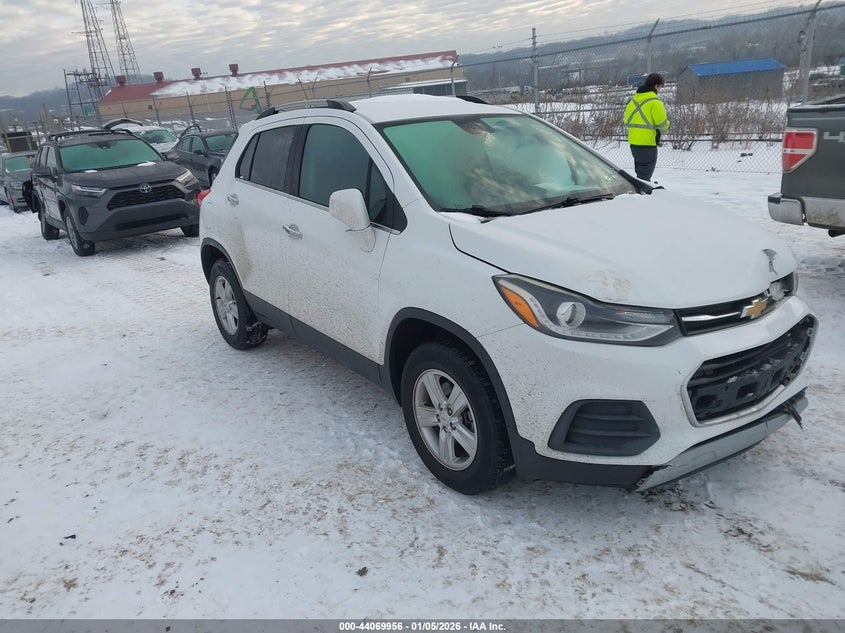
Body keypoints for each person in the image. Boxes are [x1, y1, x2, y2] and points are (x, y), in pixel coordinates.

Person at [623, 73, 670, 181]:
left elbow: (626, 120)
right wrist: (667, 124)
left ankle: (639, 189)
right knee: (644, 178)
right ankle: (642, 191)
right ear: (656, 85)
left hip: (634, 143)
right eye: (660, 87)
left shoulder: (632, 102)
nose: (660, 90)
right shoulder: (655, 102)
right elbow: (662, 124)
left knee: (640, 174)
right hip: (648, 144)